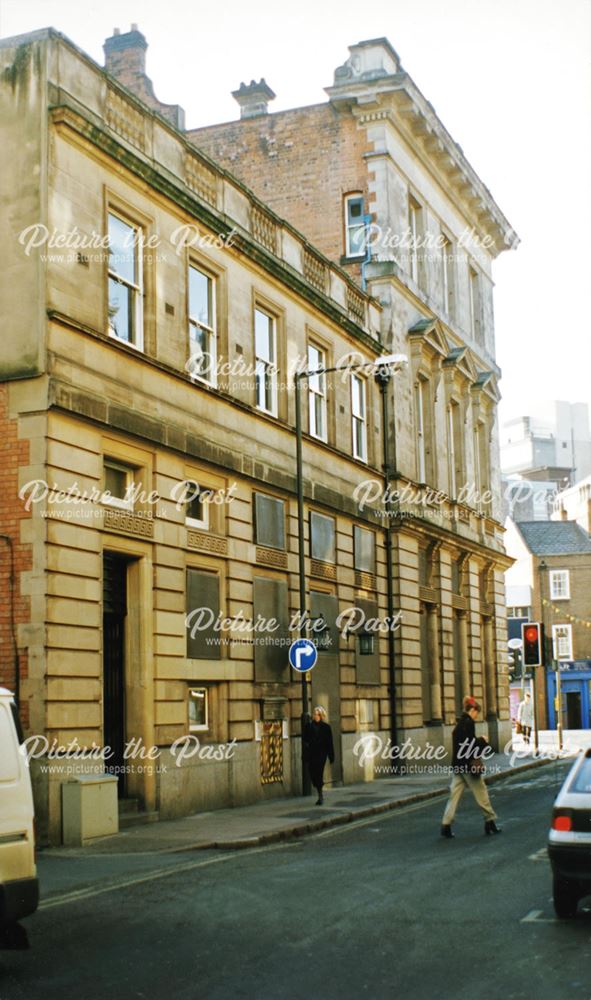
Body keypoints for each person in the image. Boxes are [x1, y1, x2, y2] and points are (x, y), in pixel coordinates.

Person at [440, 695, 502, 838]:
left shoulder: (460, 722)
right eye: (476, 712)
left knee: (453, 796)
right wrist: (482, 740)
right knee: (482, 792)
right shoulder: (469, 723)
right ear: (472, 709)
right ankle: (490, 821)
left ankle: (446, 824)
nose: (476, 716)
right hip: (468, 766)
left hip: (458, 766)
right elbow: (470, 745)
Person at [303, 706, 335, 805]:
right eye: (314, 714)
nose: (315, 716)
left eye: (317, 714)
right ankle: (318, 787)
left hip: (322, 754)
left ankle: (320, 796)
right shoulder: (309, 726)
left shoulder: (326, 727)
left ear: (321, 716)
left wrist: (331, 756)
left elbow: (330, 743)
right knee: (312, 773)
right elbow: (305, 740)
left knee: (319, 772)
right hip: (312, 753)